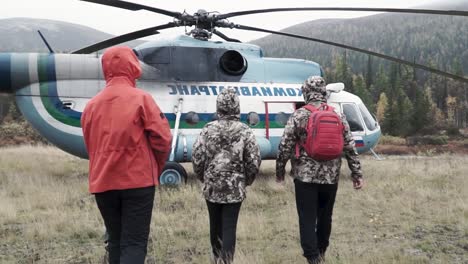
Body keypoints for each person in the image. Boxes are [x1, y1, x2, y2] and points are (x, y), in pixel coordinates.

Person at [81, 46, 172, 264]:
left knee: (115, 241)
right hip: (138, 183)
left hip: (103, 184)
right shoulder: (142, 99)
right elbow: (163, 139)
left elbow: (90, 144)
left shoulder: (91, 106)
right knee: (134, 243)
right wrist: (154, 169)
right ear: (133, 66)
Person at [276, 76, 364, 264]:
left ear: (306, 92)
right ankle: (322, 251)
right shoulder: (338, 115)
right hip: (330, 177)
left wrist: (280, 172)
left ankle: (312, 257)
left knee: (307, 218)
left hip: (305, 177)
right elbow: (350, 146)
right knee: (325, 216)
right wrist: (357, 174)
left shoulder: (299, 115)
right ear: (324, 92)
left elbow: (284, 146)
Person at [192, 88, 261, 264]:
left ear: (219, 107)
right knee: (229, 226)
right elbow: (254, 160)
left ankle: (216, 258)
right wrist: (247, 181)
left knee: (214, 226)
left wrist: (203, 177)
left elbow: (197, 157)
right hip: (235, 188)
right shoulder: (245, 131)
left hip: (212, 186)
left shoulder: (207, 129)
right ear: (237, 106)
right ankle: (227, 260)